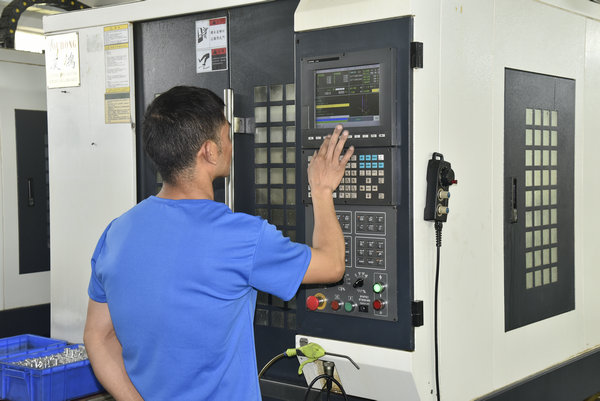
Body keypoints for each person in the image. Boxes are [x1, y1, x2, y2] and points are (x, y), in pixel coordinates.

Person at [83, 86, 354, 400]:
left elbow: (97, 337)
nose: (231, 144)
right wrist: (321, 190)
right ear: (210, 151)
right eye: (227, 135)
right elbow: (332, 264)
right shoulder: (242, 237)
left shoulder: (116, 234)